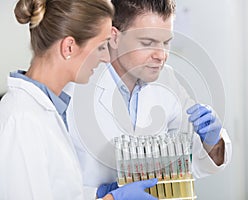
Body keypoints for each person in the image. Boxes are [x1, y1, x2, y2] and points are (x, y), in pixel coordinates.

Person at [67, 0, 232, 198]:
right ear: (114, 37)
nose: (161, 55)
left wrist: (212, 142)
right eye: (148, 43)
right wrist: (98, 195)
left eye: (166, 42)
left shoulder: (167, 81)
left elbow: (189, 162)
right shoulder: (74, 88)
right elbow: (47, 183)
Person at [0, 0, 158, 199]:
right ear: (69, 47)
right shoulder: (22, 120)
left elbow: (56, 191)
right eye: (101, 47)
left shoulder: (45, 109)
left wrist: (97, 194)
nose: (106, 58)